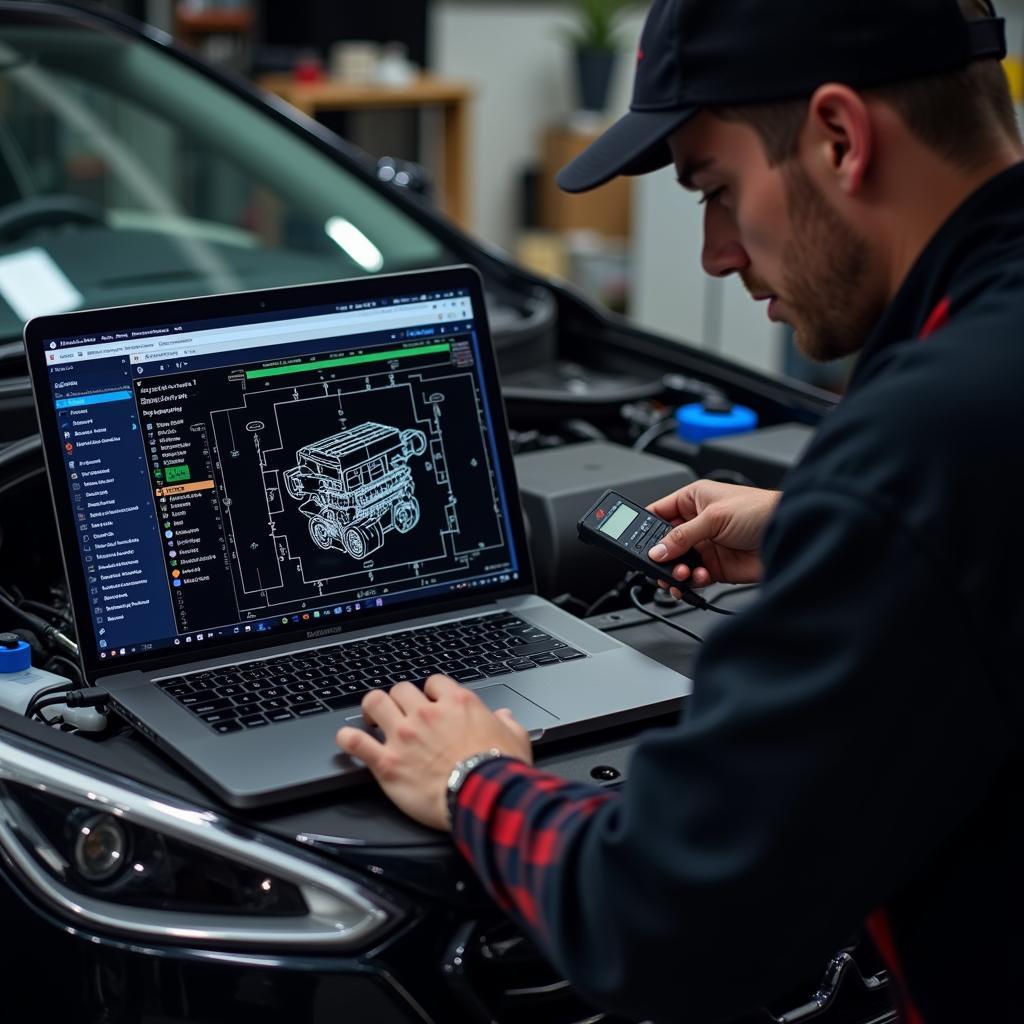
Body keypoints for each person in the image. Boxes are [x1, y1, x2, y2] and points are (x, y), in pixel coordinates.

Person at [337, 0, 1024, 1019]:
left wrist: (474, 776)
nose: (713, 253)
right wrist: (812, 527)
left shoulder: (920, 441)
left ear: (840, 137)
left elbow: (661, 917)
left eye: (715, 189)